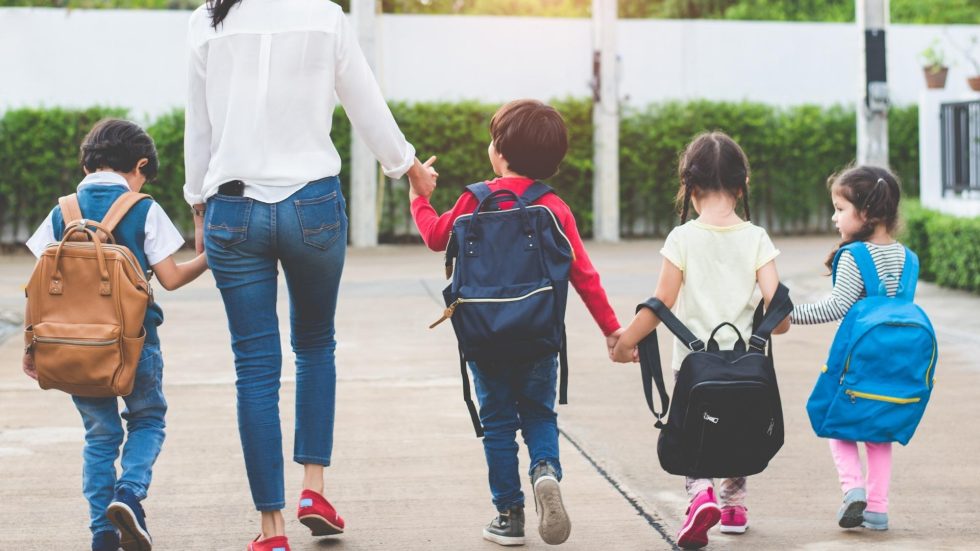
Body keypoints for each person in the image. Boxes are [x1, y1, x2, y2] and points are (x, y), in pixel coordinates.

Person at [182, 1, 437, 549]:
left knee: (254, 367)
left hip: (233, 208)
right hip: (312, 206)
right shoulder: (326, 16)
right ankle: (313, 490)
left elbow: (197, 126)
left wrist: (197, 204)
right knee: (316, 345)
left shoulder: (208, 20)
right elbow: (365, 104)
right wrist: (409, 169)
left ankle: (270, 530)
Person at [409, 99, 622, 547]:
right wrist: (611, 329)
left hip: (483, 337)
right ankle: (545, 471)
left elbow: (434, 238)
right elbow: (584, 275)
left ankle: (509, 516)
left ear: (499, 152)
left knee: (499, 423)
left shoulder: (473, 199)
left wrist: (418, 198)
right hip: (539, 335)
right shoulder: (553, 207)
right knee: (540, 414)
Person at [23, 118, 209, 551]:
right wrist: (211, 258)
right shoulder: (142, 207)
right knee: (147, 419)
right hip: (134, 343)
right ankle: (129, 494)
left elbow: (37, 284)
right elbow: (171, 278)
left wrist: (33, 347)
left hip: (72, 348)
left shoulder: (61, 211)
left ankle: (102, 534)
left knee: (100, 436)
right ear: (139, 165)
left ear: (89, 161)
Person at [611, 131, 789, 549]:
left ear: (690, 188)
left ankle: (700, 495)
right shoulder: (757, 238)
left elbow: (661, 304)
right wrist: (769, 327)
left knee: (695, 431)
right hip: (747, 362)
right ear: (742, 185)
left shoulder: (683, 238)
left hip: (692, 365)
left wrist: (624, 342)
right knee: (739, 425)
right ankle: (733, 507)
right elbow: (778, 311)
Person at [790, 165, 907, 532]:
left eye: (840, 209)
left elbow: (834, 307)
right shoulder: (909, 258)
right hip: (895, 363)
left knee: (833, 420)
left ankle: (853, 488)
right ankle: (878, 509)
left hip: (856, 360)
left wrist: (786, 314)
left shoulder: (856, 257)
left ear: (867, 213)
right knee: (879, 432)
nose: (834, 217)